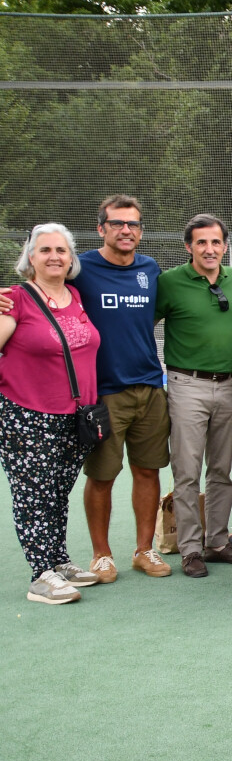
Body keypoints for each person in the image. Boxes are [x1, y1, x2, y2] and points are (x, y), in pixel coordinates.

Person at [0, 224, 103, 603]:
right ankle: (40, 575)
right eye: (45, 250)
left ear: (71, 258)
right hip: (28, 416)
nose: (54, 256)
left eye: (61, 250)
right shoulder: (15, 299)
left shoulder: (74, 296)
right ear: (30, 257)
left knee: (58, 491)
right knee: (33, 495)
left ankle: (58, 560)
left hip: (73, 415)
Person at [71, 196, 170, 580]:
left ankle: (145, 550)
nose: (126, 230)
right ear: (101, 228)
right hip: (103, 392)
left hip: (150, 386)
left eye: (133, 224)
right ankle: (101, 555)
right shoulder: (80, 268)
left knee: (148, 471)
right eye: (117, 223)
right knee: (103, 476)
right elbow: (44, 289)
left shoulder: (149, 268)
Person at [156, 214, 232, 578]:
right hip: (186, 385)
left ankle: (216, 542)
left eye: (216, 242)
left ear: (225, 246)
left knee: (221, 469)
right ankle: (190, 549)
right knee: (186, 471)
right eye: (201, 242)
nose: (210, 249)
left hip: (230, 384)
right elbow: (140, 325)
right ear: (189, 247)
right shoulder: (169, 282)